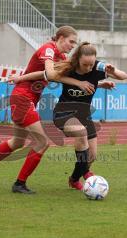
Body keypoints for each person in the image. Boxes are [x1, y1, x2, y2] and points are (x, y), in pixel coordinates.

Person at [0, 26, 95, 194]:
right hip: (23, 98)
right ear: (60, 38)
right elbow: (51, 75)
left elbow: (60, 75)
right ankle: (19, 184)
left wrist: (98, 82)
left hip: (27, 99)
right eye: (70, 41)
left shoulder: (59, 56)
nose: (73, 45)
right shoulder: (48, 50)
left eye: (75, 42)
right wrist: (76, 82)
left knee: (17, 142)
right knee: (42, 142)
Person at [52, 41, 127, 190]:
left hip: (84, 115)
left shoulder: (98, 68)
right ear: (78, 59)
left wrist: (112, 71)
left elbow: (123, 76)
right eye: (85, 65)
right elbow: (50, 75)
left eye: (91, 65)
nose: (88, 68)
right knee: (81, 133)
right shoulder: (69, 68)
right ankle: (85, 172)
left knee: (91, 156)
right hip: (63, 113)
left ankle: (74, 179)